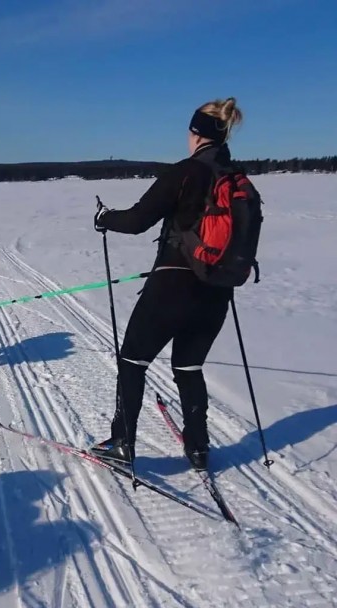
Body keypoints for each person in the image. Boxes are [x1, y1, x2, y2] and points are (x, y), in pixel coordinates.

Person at [93, 97, 244, 472]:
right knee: (189, 367)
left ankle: (122, 443)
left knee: (132, 361)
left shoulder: (185, 172)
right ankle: (198, 448)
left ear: (197, 133)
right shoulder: (237, 180)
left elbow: (138, 220)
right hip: (217, 293)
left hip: (172, 289)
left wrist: (104, 218)